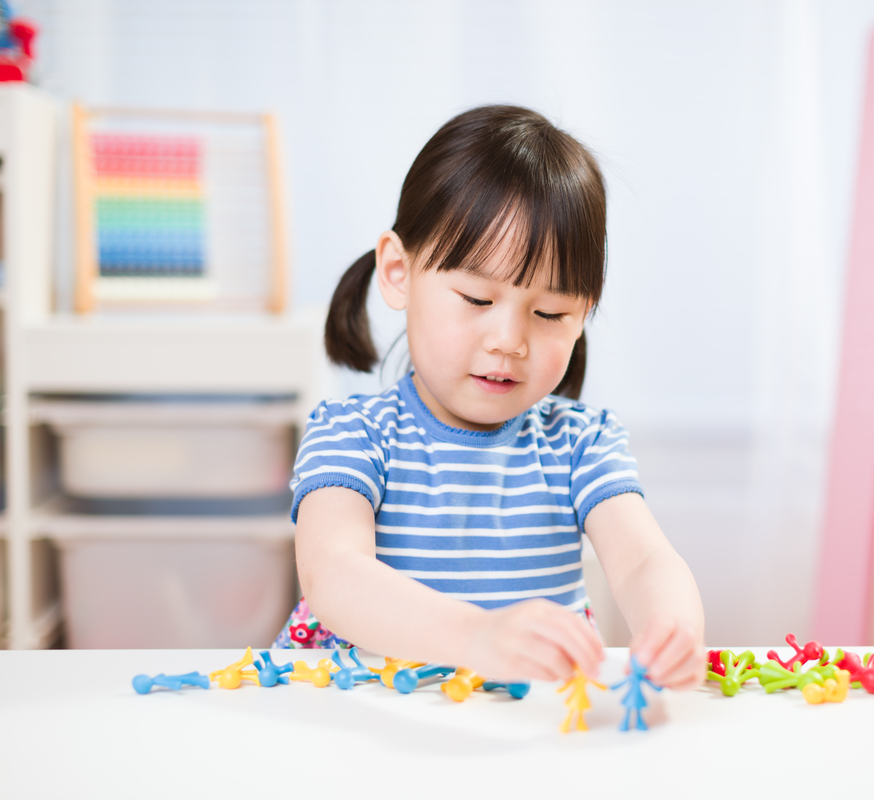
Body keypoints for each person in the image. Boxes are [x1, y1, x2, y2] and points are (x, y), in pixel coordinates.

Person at [275, 105, 705, 690]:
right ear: (400, 272)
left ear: (584, 315)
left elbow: (643, 561)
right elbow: (335, 575)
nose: (509, 341)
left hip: (523, 734)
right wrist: (475, 637)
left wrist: (673, 626)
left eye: (550, 313)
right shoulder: (353, 436)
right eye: (477, 299)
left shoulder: (583, 445)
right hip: (365, 718)